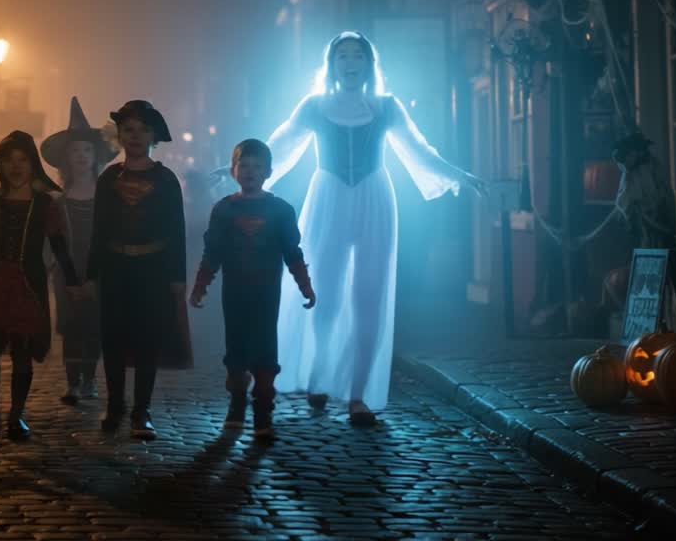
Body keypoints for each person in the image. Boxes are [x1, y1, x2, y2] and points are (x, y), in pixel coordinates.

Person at [265, 31, 485, 425]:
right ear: (332, 64)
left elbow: (419, 150)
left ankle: (357, 395)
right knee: (325, 295)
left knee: (369, 294)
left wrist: (459, 176)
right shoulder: (315, 106)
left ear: (369, 64)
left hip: (375, 198)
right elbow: (279, 145)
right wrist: (241, 169)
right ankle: (318, 376)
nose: (350, 63)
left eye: (358, 56)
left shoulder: (387, 107)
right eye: (343, 56)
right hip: (328, 198)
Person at [0, 131, 82, 441]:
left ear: (32, 164)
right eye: (8, 160)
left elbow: (59, 245)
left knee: (22, 351)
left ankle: (16, 415)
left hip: (29, 282)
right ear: (0, 164)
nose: (15, 166)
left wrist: (73, 280)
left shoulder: (44, 205)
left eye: (22, 159)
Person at [190, 139, 315, 440]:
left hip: (266, 295)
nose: (250, 171)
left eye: (257, 166)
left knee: (265, 353)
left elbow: (292, 251)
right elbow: (213, 252)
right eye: (243, 165)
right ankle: (236, 404)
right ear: (233, 171)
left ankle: (263, 413)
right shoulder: (223, 210)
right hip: (234, 294)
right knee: (235, 351)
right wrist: (201, 285)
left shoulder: (281, 210)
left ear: (269, 171)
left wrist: (304, 285)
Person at [89, 100, 192, 440]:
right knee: (114, 339)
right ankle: (115, 404)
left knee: (147, 340)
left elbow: (177, 231)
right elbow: (99, 228)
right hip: (116, 269)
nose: (134, 136)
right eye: (128, 129)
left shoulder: (165, 180)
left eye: (142, 129)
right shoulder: (107, 179)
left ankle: (141, 410)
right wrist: (92, 273)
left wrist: (177, 277)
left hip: (152, 271)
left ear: (154, 136)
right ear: (119, 135)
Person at [565, 130, 676, 339]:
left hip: (660, 240)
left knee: (668, 284)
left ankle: (672, 334)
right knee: (647, 289)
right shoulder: (631, 179)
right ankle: (648, 334)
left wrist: (657, 227)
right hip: (645, 243)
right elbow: (623, 208)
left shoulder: (648, 177)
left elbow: (650, 207)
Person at [40, 97, 116, 405]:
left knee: (94, 325)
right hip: (67, 269)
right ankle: (72, 382)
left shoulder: (108, 196)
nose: (81, 156)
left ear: (96, 156)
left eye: (87, 150)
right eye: (75, 151)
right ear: (66, 159)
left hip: (100, 270)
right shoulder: (57, 199)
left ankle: (89, 379)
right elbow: (51, 240)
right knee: (71, 326)